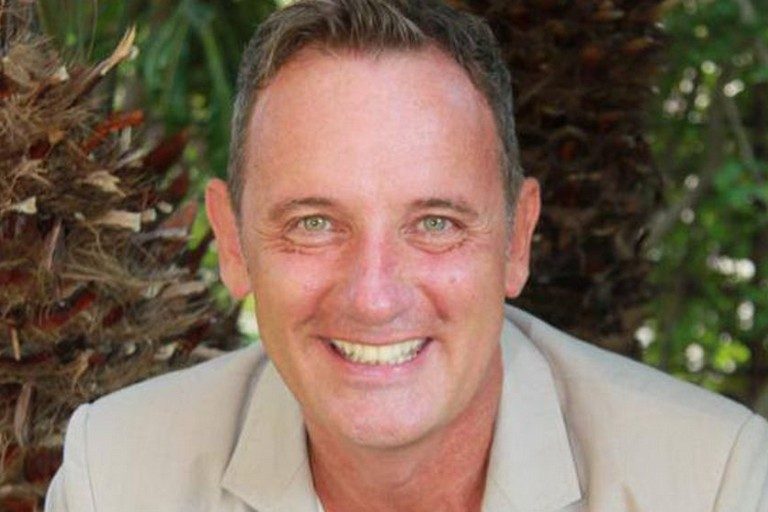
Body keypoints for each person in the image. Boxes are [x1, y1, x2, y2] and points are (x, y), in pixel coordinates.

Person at [46, 0, 768, 510]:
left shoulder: (711, 484)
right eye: (314, 223)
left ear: (516, 240)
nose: (374, 297)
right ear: (232, 244)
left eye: (435, 224)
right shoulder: (117, 475)